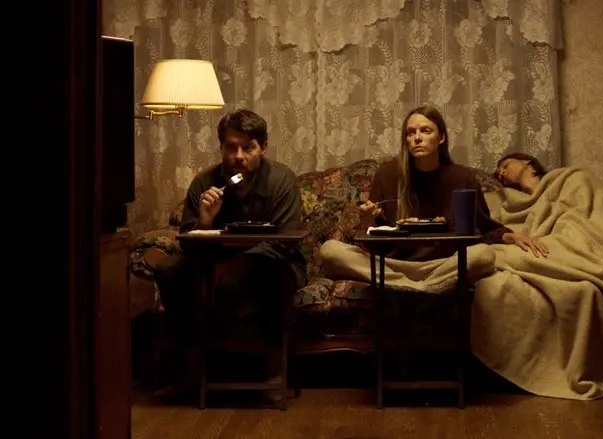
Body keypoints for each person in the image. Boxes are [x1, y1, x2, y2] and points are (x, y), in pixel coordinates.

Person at [154, 109, 305, 383]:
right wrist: (204, 222)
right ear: (221, 147)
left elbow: (286, 242)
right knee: (169, 270)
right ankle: (189, 368)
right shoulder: (205, 183)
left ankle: (274, 367)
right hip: (215, 261)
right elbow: (188, 245)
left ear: (263, 148)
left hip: (270, 262)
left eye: (248, 148)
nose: (239, 156)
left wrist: (231, 268)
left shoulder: (281, 181)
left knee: (276, 274)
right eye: (231, 147)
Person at [318, 105, 512, 291]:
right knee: (330, 250)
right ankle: (423, 286)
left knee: (484, 255)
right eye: (410, 133)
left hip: (443, 264)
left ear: (441, 137)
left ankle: (406, 285)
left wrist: (505, 235)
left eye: (426, 131)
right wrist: (368, 217)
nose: (417, 138)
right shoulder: (387, 174)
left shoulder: (462, 177)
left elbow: (483, 226)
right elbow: (372, 237)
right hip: (392, 265)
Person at [493, 152, 550, 258]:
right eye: (499, 174)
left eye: (505, 166)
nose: (501, 173)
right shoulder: (510, 203)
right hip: (526, 246)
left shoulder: (559, 180)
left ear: (526, 161)